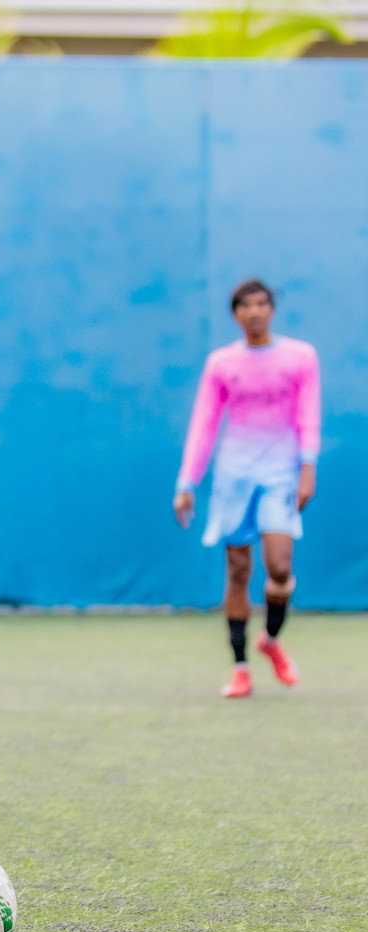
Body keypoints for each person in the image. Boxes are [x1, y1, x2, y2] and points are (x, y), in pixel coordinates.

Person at [175, 279, 320, 699]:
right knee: (238, 570)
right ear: (235, 314)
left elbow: (309, 415)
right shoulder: (221, 363)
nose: (254, 312)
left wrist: (307, 469)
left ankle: (270, 639)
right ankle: (240, 668)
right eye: (245, 305)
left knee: (279, 567)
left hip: (281, 474)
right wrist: (187, 482)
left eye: (261, 304)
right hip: (234, 476)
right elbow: (204, 423)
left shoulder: (300, 356)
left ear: (271, 309)